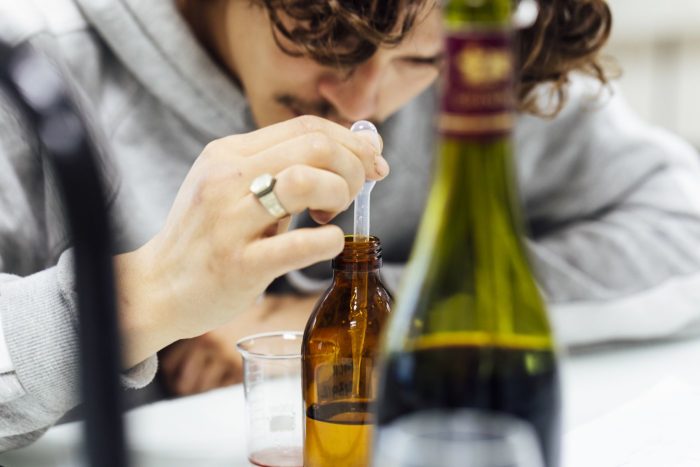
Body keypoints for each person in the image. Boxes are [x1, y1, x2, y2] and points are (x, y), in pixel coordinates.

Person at [1, 0, 699, 451]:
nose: (365, 101)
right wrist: (135, 300)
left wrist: (354, 309)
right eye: (329, 39)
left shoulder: (468, 63)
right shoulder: (33, 74)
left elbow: (683, 225)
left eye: (419, 60)